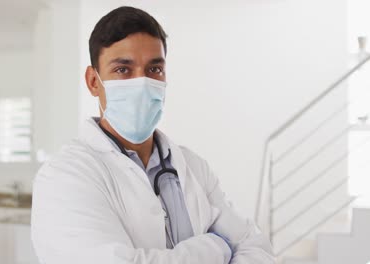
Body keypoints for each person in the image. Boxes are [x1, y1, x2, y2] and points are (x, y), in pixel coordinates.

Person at [31, 6, 275, 264]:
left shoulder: (192, 166)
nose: (142, 82)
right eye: (123, 69)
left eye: (154, 69)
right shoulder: (65, 176)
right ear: (93, 81)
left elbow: (255, 247)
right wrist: (218, 247)